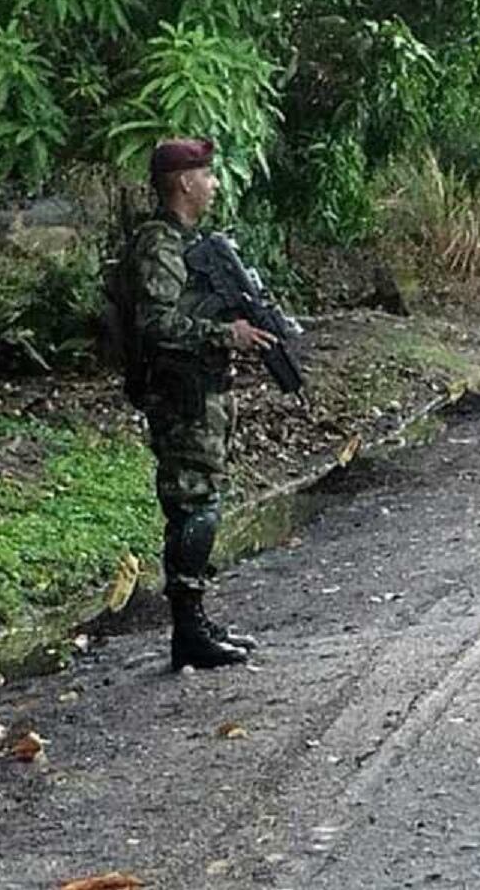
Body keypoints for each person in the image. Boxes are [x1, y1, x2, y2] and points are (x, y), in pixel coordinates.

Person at [126, 138, 276, 670]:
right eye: (208, 175)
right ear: (185, 182)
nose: (214, 185)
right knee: (195, 505)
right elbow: (155, 324)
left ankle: (196, 621)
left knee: (204, 498)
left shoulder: (189, 243)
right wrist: (224, 334)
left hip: (201, 390)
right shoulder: (160, 245)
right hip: (180, 395)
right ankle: (187, 632)